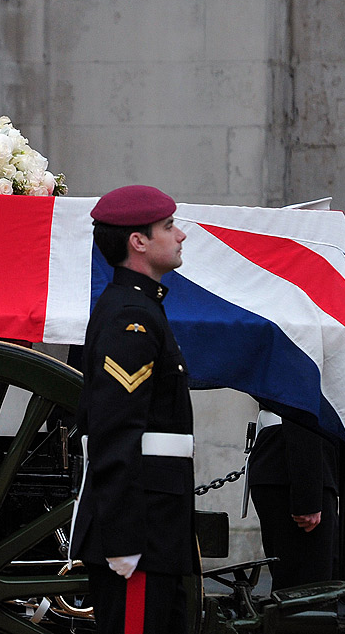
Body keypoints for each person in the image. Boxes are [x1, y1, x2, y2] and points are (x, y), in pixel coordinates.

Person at [70, 185, 196, 634]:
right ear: (137, 242)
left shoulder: (141, 308)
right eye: (167, 227)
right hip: (139, 532)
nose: (180, 235)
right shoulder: (131, 318)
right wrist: (123, 538)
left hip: (156, 528)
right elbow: (116, 430)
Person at [246, 410, 339, 590]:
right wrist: (308, 497)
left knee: (304, 585)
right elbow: (299, 406)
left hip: (287, 464)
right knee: (306, 592)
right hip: (295, 467)